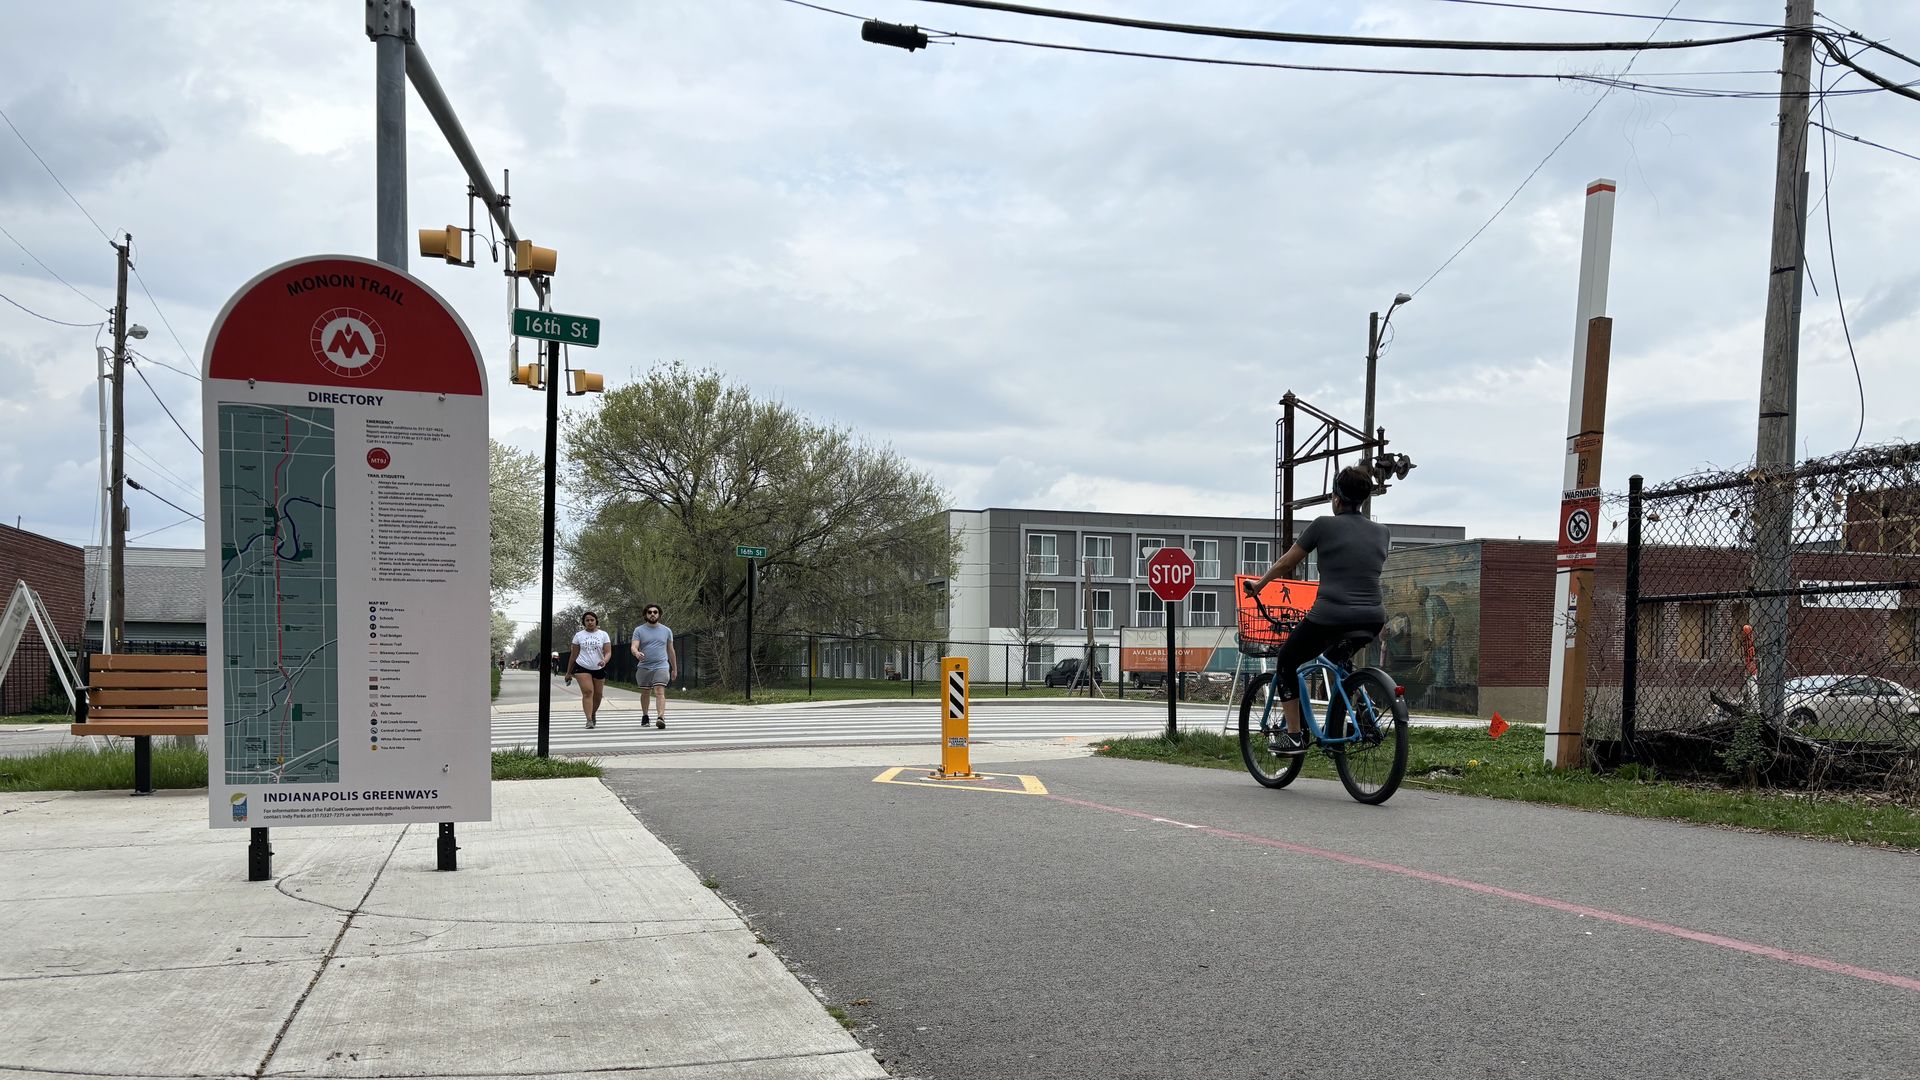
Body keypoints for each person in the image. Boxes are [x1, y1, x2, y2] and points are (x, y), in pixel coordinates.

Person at [1244, 464, 1391, 754]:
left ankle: (1295, 736)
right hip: (1373, 617)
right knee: (1339, 660)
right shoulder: (1382, 532)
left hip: (1331, 616)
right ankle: (1358, 716)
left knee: (1286, 660)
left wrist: (1259, 586)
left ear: (1337, 497)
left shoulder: (1323, 525)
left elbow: (1288, 563)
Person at [629, 604, 678, 729]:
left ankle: (661, 717)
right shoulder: (639, 630)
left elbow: (671, 650)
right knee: (646, 691)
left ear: (659, 615)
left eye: (655, 612)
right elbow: (634, 646)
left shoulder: (666, 631)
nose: (652, 614)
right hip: (644, 666)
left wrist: (674, 668)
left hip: (661, 665)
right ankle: (645, 716)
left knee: (659, 691)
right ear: (646, 614)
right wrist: (636, 653)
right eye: (650, 612)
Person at [568, 611, 612, 730]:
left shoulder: (603, 635)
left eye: (592, 620)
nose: (590, 622)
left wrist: (604, 660)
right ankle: (589, 720)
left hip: (599, 667)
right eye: (587, 620)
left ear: (596, 621)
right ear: (584, 622)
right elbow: (573, 655)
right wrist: (568, 672)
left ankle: (592, 713)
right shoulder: (579, 636)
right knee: (588, 692)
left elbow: (608, 652)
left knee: (598, 695)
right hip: (582, 666)